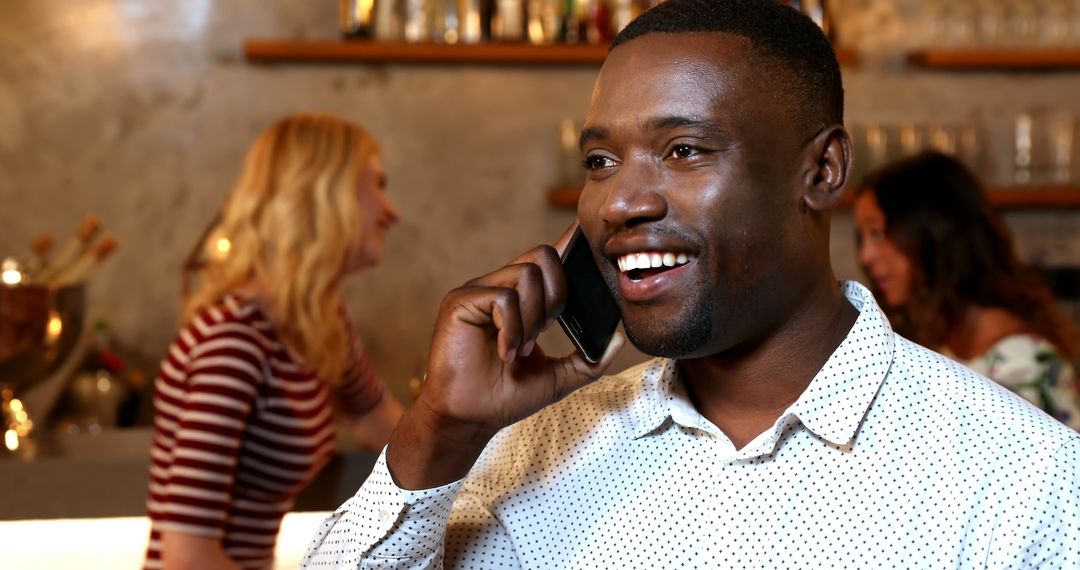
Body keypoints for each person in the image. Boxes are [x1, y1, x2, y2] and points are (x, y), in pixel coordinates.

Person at [305, 1, 1080, 567]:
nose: (620, 202)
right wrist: (438, 432)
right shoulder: (530, 458)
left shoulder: (1021, 480)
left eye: (683, 150)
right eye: (600, 162)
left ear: (821, 170)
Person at [143, 113, 405, 570]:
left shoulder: (320, 325)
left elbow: (381, 422)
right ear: (326, 194)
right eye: (377, 185)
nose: (391, 210)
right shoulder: (236, 340)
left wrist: (494, 464)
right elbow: (186, 559)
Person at [854, 151, 1080, 430]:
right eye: (862, 237)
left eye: (878, 233)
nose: (866, 256)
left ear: (933, 233)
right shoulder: (937, 341)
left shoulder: (1023, 364)